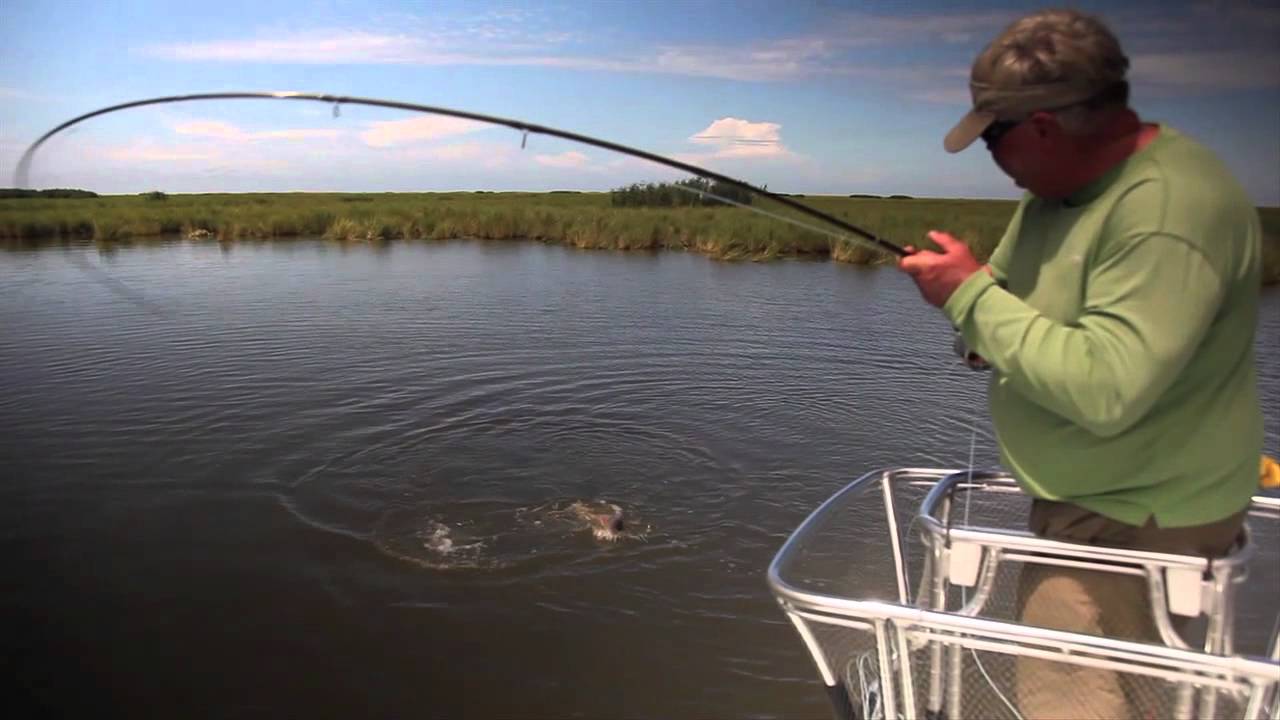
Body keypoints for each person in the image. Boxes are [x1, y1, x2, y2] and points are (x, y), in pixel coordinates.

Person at [898, 8, 1264, 719]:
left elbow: (1106, 389)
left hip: (1136, 519)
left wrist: (971, 295)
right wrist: (973, 319)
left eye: (993, 139)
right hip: (1087, 504)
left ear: (1043, 127)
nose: (991, 162)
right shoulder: (1052, 197)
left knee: (1072, 703)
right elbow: (1000, 313)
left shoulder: (1169, 210)